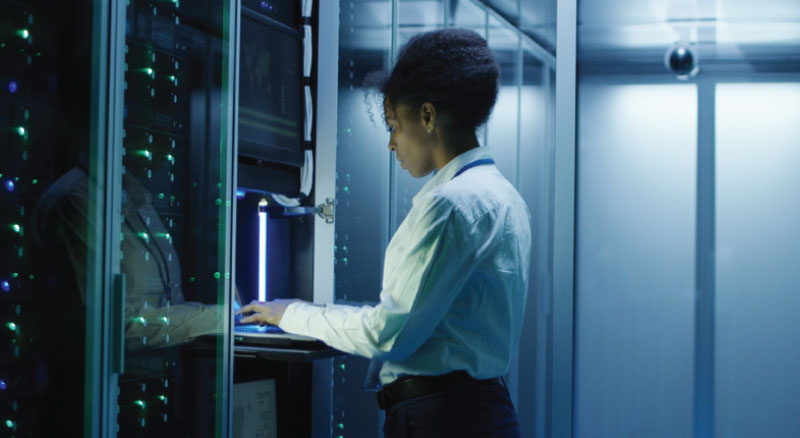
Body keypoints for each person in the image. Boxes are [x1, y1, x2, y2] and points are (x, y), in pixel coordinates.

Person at [239, 29, 532, 437]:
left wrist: (292, 314)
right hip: (482, 411)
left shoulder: (450, 205)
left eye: (394, 125)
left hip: (441, 421)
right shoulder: (504, 196)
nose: (392, 143)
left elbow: (387, 335)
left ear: (427, 117)